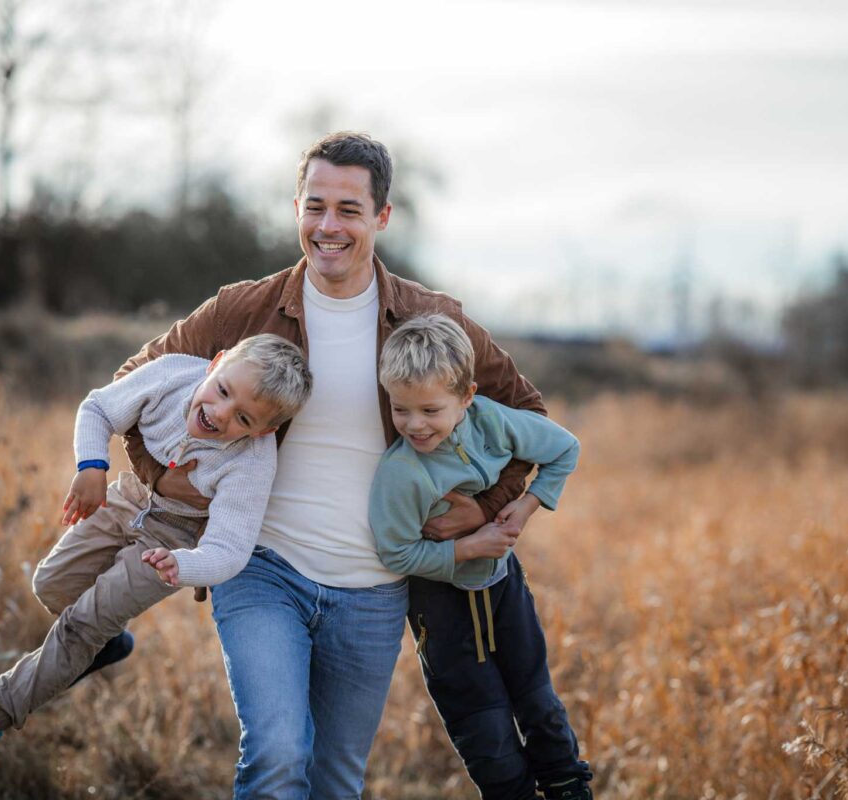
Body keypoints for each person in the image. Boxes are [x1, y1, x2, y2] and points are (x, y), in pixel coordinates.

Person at [115, 131, 548, 798]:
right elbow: (132, 383)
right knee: (279, 753)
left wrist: (487, 509)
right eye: (314, 206)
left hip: (372, 590)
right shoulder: (244, 309)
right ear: (296, 208)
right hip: (262, 570)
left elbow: (529, 416)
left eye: (348, 209)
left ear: (382, 216)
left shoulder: (431, 319)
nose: (328, 226)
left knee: (335, 780)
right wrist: (160, 472)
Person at [0, 334, 312, 767]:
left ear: (263, 430)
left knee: (81, 624)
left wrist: (184, 565)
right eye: (222, 391)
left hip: (170, 542)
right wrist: (92, 464)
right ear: (217, 363)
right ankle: (103, 645)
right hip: (127, 496)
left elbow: (230, 548)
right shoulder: (173, 374)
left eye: (242, 417)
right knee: (52, 585)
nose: (218, 413)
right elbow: (98, 407)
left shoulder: (252, 462)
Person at [369, 314, 593, 800]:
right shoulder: (401, 474)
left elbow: (564, 449)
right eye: (400, 409)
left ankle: (568, 786)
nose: (413, 425)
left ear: (467, 397)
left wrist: (528, 504)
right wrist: (466, 547)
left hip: (502, 585)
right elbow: (394, 551)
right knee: (485, 730)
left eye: (430, 409)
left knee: (539, 701)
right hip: (440, 604)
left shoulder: (492, 420)